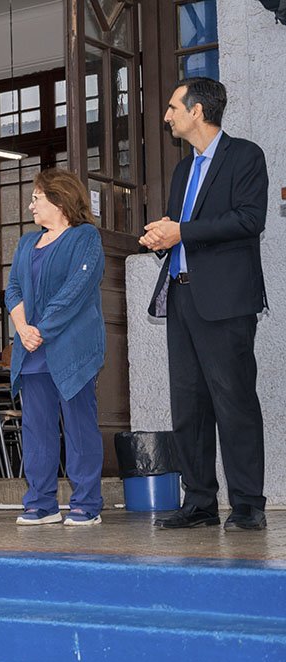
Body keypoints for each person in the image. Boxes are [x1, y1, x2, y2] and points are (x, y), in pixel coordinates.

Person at [139, 78, 269, 531]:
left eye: (173, 106)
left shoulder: (246, 156)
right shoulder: (181, 171)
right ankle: (199, 502)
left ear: (197, 111)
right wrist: (162, 237)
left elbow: (250, 219)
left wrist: (182, 232)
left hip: (227, 301)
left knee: (234, 401)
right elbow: (182, 229)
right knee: (188, 405)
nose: (167, 115)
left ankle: (249, 504)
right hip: (181, 294)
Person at [5, 168, 105, 527]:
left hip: (71, 350)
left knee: (79, 428)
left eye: (36, 198)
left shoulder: (85, 237)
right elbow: (12, 289)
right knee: (37, 430)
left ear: (59, 200)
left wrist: (40, 330)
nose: (31, 205)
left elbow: (76, 290)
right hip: (32, 351)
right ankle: (41, 502)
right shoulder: (27, 243)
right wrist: (22, 329)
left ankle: (86, 502)